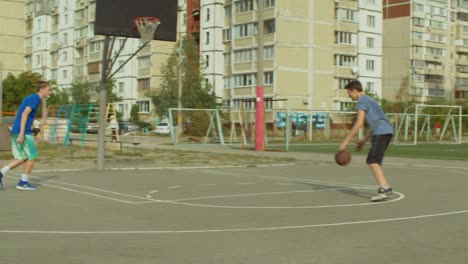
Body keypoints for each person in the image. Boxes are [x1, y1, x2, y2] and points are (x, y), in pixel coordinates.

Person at [338, 80, 394, 202]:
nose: (348, 95)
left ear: (354, 90)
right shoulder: (369, 99)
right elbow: (375, 123)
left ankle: (385, 188)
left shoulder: (362, 101)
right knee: (374, 161)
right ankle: (385, 187)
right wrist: (363, 141)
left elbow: (359, 123)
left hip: (382, 132)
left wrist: (345, 142)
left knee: (372, 161)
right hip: (385, 131)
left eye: (349, 92)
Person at [0, 81, 52, 191]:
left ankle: (1, 174)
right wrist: (22, 134)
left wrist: (33, 129)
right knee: (32, 156)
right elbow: (24, 114)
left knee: (21, 158)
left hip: (18, 130)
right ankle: (23, 182)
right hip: (21, 132)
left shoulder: (31, 98)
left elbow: (26, 116)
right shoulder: (35, 98)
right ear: (42, 89)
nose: (50, 92)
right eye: (49, 89)